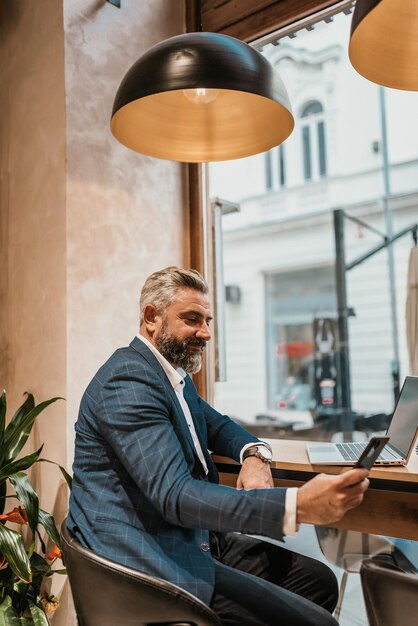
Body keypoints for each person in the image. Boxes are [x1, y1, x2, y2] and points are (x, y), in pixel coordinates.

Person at [68, 266, 370, 626]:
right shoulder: (128, 380)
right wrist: (296, 505)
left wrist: (255, 455)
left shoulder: (171, 375)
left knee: (319, 582)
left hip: (191, 535)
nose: (206, 332)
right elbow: (175, 496)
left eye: (208, 320)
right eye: (192, 319)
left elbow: (220, 427)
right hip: (148, 554)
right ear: (151, 317)